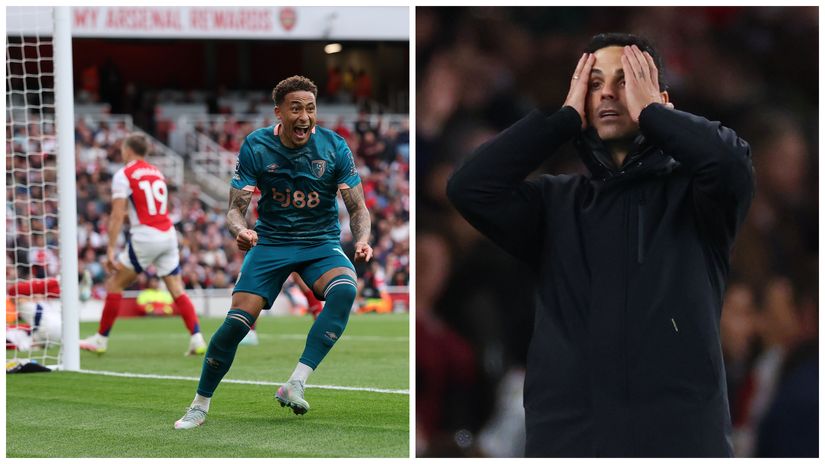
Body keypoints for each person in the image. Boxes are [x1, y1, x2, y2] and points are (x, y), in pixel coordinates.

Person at [447, 33, 754, 457]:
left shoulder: (698, 197)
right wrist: (561, 120)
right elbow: (470, 187)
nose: (607, 92)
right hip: (571, 442)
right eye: (593, 84)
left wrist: (654, 115)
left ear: (660, 100)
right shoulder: (555, 203)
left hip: (679, 441)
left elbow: (732, 162)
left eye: (626, 80)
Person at [174, 75, 373, 429]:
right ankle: (199, 405)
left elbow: (358, 208)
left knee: (345, 289)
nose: (304, 116)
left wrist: (361, 239)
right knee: (236, 325)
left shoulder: (334, 146)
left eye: (310, 108)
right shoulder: (257, 145)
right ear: (279, 112)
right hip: (271, 243)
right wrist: (241, 231)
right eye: (296, 108)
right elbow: (235, 209)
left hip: (320, 243)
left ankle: (296, 382)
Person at [79, 133, 206, 356]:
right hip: (168, 234)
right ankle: (197, 339)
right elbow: (150, 207)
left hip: (146, 236)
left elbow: (117, 214)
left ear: (128, 150)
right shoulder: (157, 172)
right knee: (176, 289)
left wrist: (110, 249)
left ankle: (100, 340)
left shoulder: (124, 174)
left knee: (114, 284)